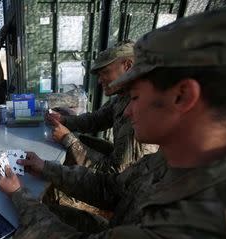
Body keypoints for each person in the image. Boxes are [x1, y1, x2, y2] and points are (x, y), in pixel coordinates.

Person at [0, 9, 226, 239]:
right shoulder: (172, 159)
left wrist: (19, 197)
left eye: (135, 97)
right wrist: (46, 168)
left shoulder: (198, 232)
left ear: (182, 96)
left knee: (20, 215)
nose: (128, 109)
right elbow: (111, 188)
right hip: (116, 230)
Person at [47, 41, 156, 173]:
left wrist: (68, 140)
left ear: (127, 66)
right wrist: (64, 120)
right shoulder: (124, 97)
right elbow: (97, 119)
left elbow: (115, 174)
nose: (99, 80)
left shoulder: (138, 114)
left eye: (105, 72)